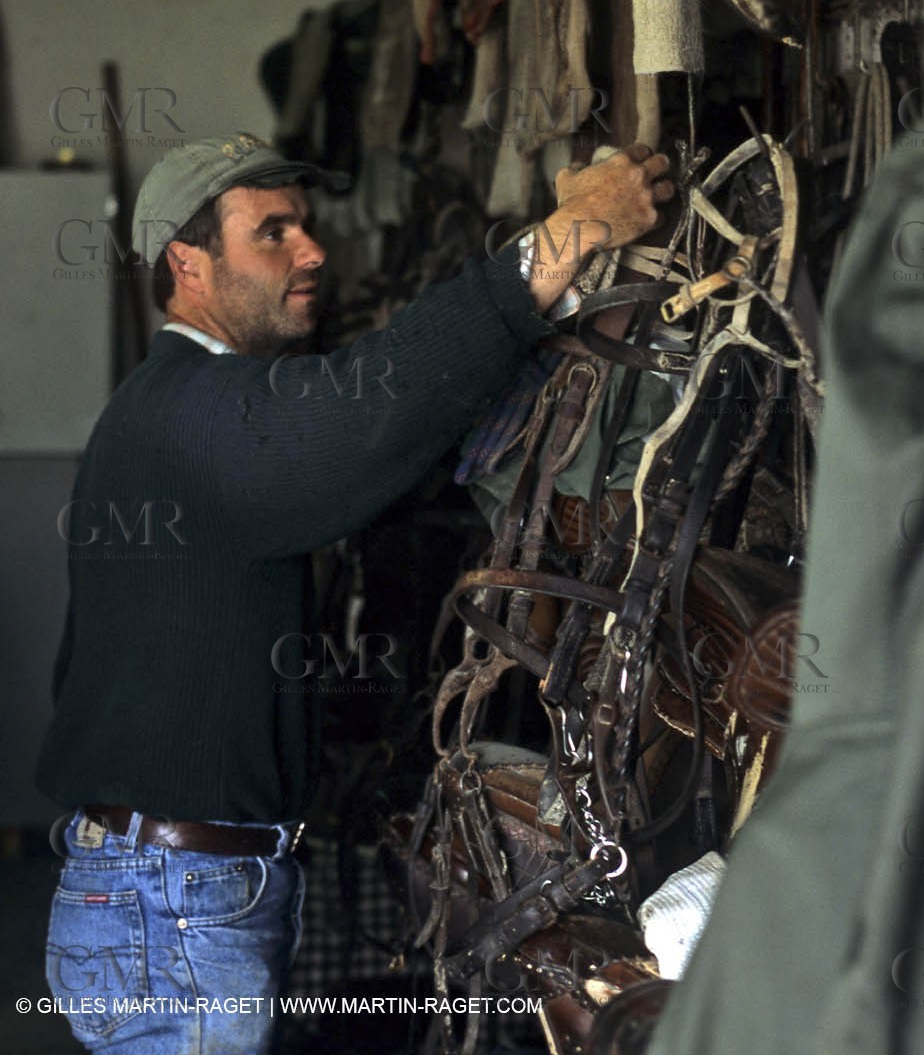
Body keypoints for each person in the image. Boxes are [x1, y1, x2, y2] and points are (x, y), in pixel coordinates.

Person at [37, 130, 672, 1054]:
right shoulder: (190, 409)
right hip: (169, 900)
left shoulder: (193, 404)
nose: (312, 250)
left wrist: (562, 307)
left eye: (307, 226)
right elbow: (357, 413)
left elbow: (377, 425)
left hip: (176, 887)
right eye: (274, 232)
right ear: (188, 262)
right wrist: (557, 242)